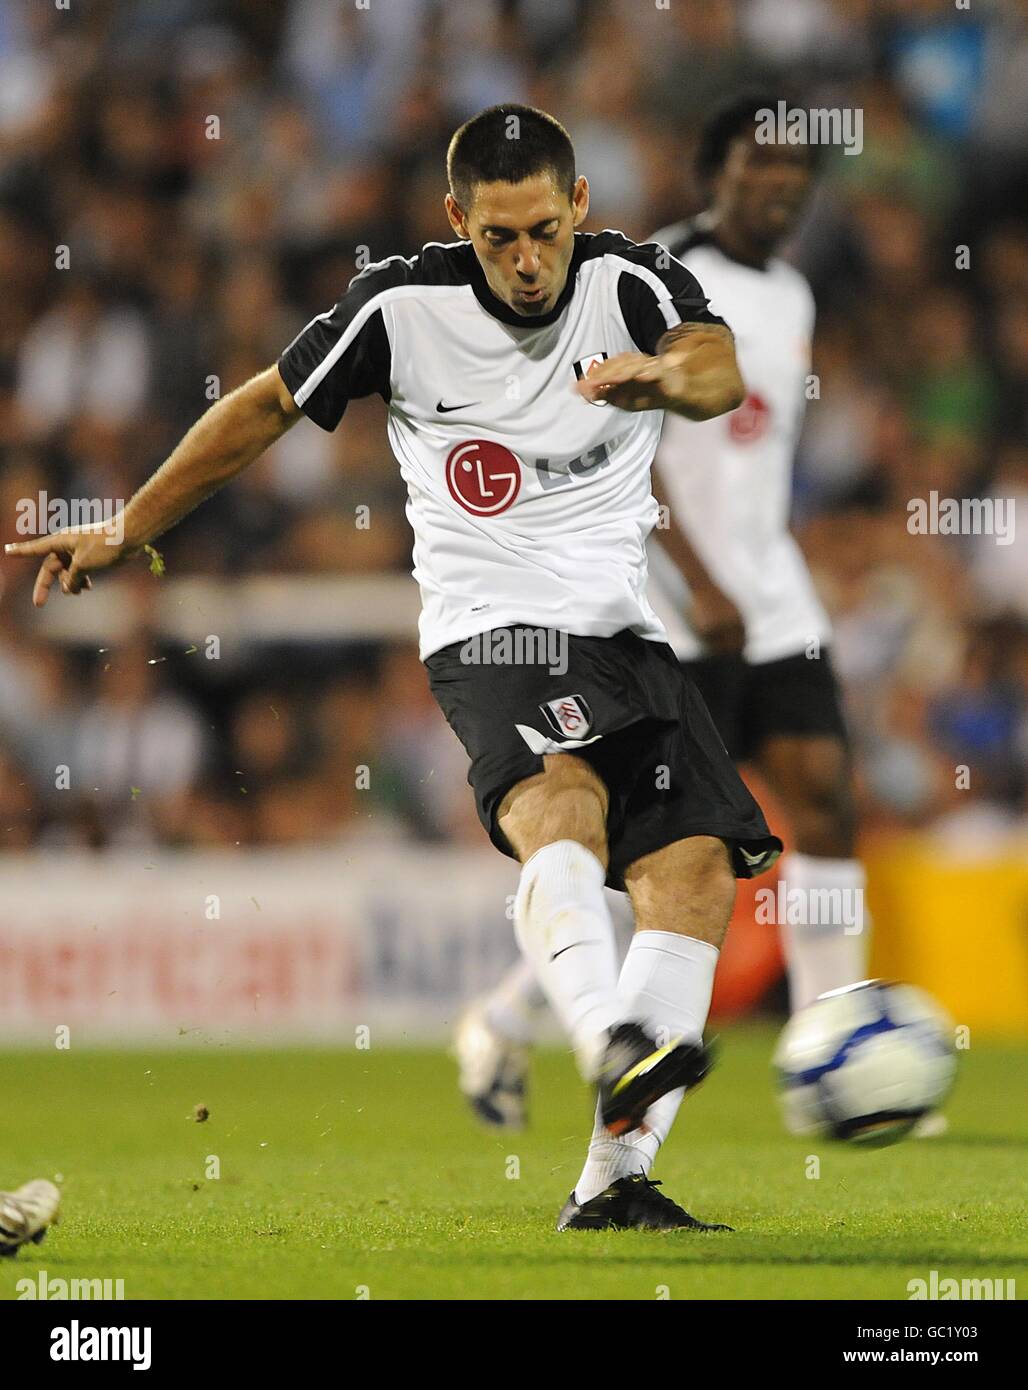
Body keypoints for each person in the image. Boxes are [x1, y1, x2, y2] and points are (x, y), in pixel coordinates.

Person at [7, 104, 781, 1233]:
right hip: (489, 625)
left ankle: (613, 1186)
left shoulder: (634, 283)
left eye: (543, 233)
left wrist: (660, 380)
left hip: (624, 631)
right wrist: (128, 526)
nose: (525, 261)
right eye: (497, 236)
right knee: (560, 797)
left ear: (579, 207)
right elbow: (264, 406)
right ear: (456, 219)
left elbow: (716, 368)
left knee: (698, 871)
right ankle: (603, 1034)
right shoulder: (397, 304)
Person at [456, 93, 881, 1206]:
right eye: (757, 165)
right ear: (714, 173)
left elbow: (756, 459)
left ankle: (824, 1052)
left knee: (824, 804)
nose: (779, 185)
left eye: (796, 168)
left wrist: (769, 562)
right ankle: (509, 1015)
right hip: (668, 609)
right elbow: (618, 444)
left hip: (772, 602)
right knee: (650, 861)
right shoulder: (656, 283)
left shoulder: (790, 293)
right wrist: (694, 576)